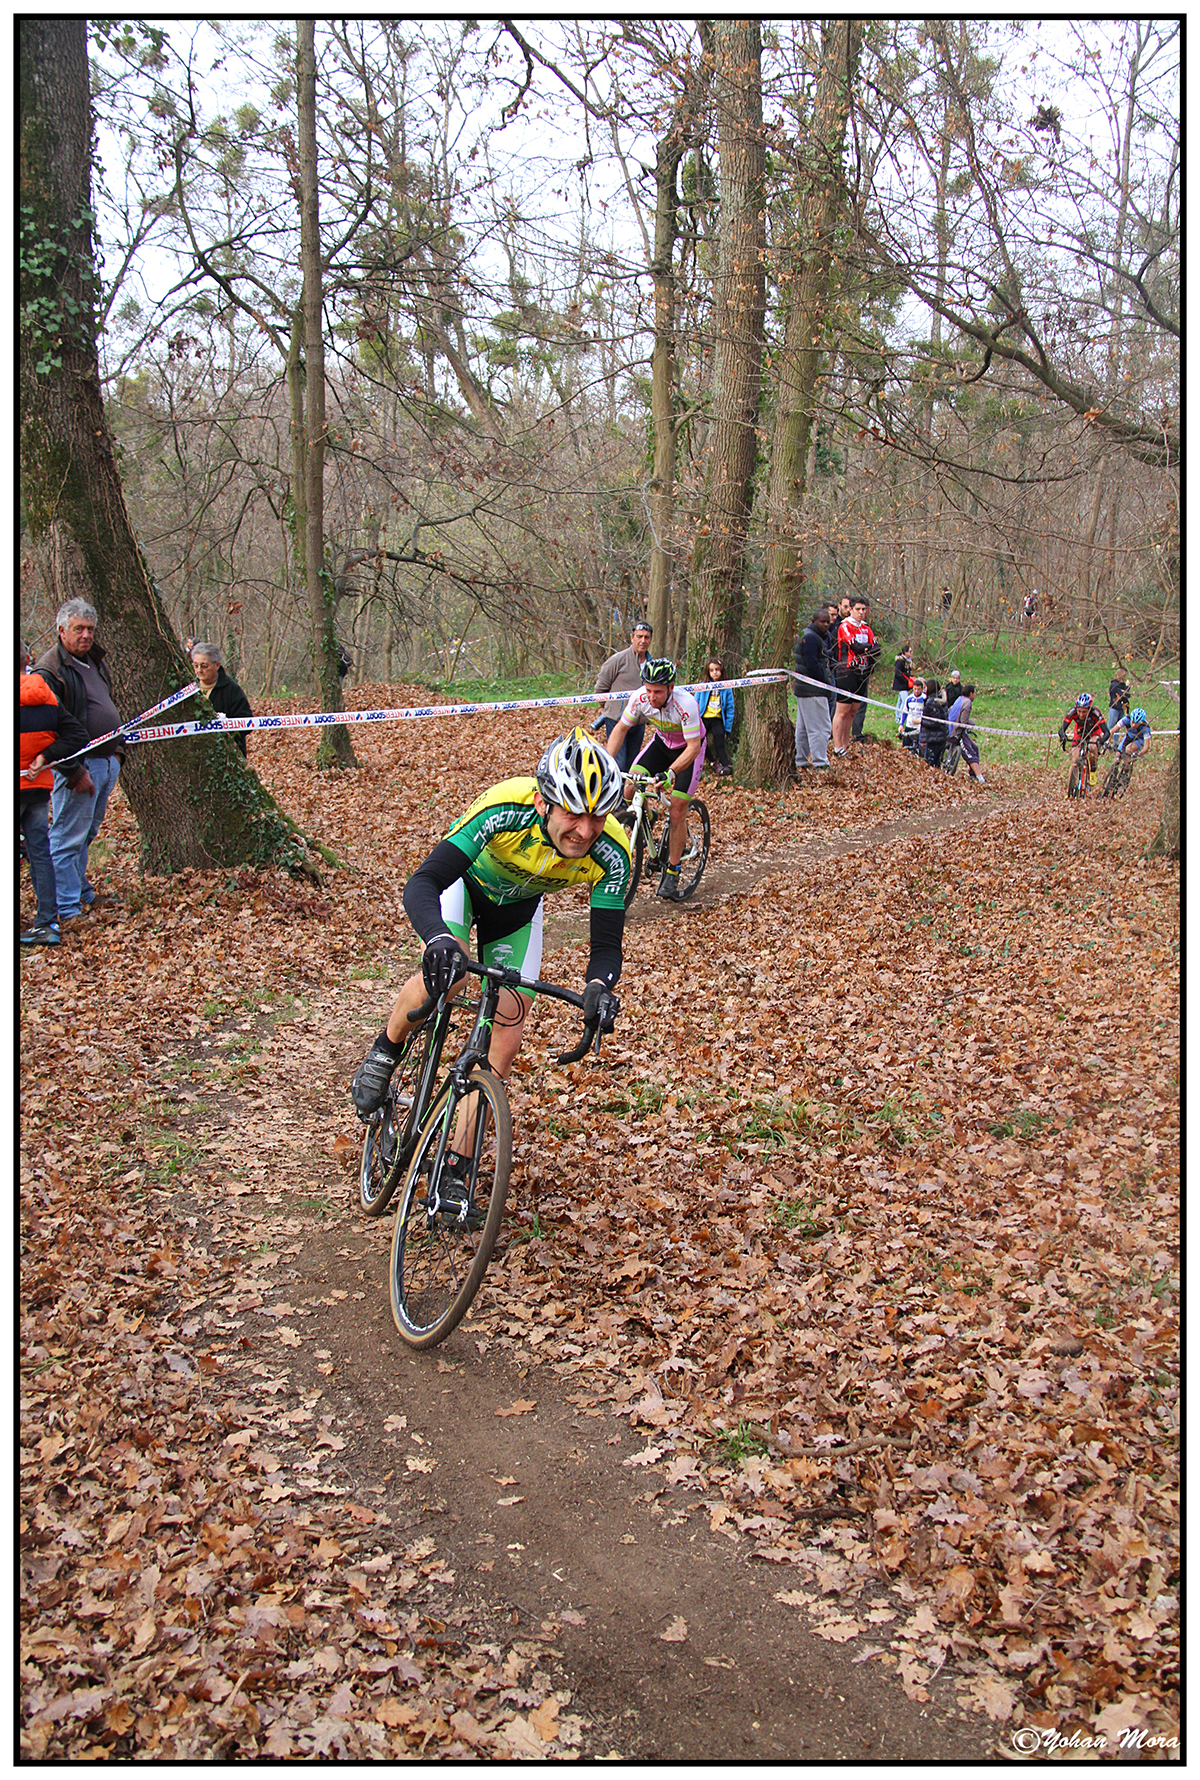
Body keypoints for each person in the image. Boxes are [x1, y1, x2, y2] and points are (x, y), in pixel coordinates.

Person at [349, 730, 628, 1175]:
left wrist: (599, 986)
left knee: (509, 1031)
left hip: (517, 912)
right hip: (463, 887)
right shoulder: (505, 808)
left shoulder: (612, 852)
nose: (585, 830)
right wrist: (438, 939)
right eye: (573, 813)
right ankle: (386, 1049)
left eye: (597, 817)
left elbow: (607, 945)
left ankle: (457, 1164)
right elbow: (424, 882)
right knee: (450, 976)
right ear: (542, 803)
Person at [33, 599, 125, 926]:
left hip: (106, 761)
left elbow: (107, 703)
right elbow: (47, 730)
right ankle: (67, 908)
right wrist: (73, 772)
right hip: (77, 765)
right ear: (62, 630)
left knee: (85, 834)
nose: (86, 635)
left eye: (90, 629)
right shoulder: (50, 670)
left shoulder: (95, 661)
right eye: (78, 629)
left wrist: (117, 753)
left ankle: (81, 891)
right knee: (66, 838)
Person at [605, 657, 705, 901]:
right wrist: (606, 761)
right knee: (629, 789)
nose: (652, 696)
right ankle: (647, 816)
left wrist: (671, 773)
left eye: (658, 691)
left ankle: (673, 870)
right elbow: (621, 729)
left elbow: (693, 746)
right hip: (661, 744)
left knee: (678, 809)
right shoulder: (640, 698)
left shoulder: (686, 704)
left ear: (671, 687)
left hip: (688, 750)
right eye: (648, 690)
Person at [20, 640, 75, 945]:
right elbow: (76, 734)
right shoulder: (47, 696)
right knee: (40, 853)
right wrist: (44, 757)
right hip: (38, 787)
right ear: (28, 658)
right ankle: (47, 923)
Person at [593, 620, 653, 772]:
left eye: (646, 637)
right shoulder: (618, 660)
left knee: (632, 764)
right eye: (639, 636)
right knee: (617, 764)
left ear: (650, 640)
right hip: (616, 720)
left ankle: (627, 789)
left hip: (638, 722)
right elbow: (600, 689)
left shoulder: (652, 664)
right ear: (632, 638)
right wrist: (610, 709)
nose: (643, 641)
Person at [831, 596, 879, 756]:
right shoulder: (845, 626)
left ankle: (845, 745)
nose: (861, 612)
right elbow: (855, 646)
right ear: (850, 609)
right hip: (846, 671)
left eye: (864, 609)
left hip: (862, 672)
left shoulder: (866, 628)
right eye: (858, 609)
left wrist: (867, 649)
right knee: (842, 710)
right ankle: (837, 746)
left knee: (853, 711)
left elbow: (877, 649)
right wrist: (868, 648)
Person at [192, 643, 254, 757]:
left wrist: (225, 730)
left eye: (204, 666)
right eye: (195, 665)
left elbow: (246, 722)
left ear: (217, 665)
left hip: (227, 756)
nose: (199, 670)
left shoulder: (232, 689)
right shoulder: (188, 689)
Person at [793, 607, 834, 771]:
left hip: (804, 689)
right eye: (822, 621)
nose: (826, 625)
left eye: (828, 622)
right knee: (821, 727)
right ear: (814, 621)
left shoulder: (811, 636)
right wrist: (824, 682)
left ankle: (800, 760)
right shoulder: (810, 638)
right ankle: (820, 762)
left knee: (803, 728)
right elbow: (812, 665)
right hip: (813, 689)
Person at [698, 659, 734, 776]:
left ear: (722, 671)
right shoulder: (703, 686)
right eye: (712, 670)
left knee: (719, 739)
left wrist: (727, 729)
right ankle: (713, 762)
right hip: (704, 718)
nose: (715, 673)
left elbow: (730, 708)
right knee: (699, 739)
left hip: (717, 719)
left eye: (717, 670)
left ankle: (726, 764)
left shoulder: (726, 687)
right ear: (708, 672)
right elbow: (695, 702)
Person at [1058, 693, 1108, 777]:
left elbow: (1107, 732)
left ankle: (1093, 770)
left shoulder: (1095, 712)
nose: (1081, 714)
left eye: (1084, 712)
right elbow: (1061, 730)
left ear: (1089, 709)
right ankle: (1071, 784)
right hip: (1080, 732)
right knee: (1075, 759)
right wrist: (1063, 736)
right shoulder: (1072, 712)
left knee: (1092, 747)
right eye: (1079, 711)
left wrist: (1101, 741)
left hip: (1094, 732)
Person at [947, 682, 984, 782]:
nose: (975, 695)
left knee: (975, 748)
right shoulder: (967, 703)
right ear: (971, 693)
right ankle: (980, 778)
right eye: (974, 692)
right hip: (957, 732)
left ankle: (973, 774)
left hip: (952, 727)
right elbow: (963, 722)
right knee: (970, 753)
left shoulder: (959, 699)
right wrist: (971, 724)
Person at [919, 679, 948, 768]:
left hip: (934, 738)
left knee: (929, 764)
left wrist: (921, 722)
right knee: (936, 764)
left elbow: (936, 722)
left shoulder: (932, 703)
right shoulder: (941, 701)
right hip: (941, 736)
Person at [899, 677, 926, 753]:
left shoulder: (925, 699)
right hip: (909, 725)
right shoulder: (909, 698)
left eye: (918, 689)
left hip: (919, 727)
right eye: (915, 689)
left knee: (917, 748)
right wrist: (901, 724)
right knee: (905, 747)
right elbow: (905, 712)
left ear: (922, 689)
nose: (916, 691)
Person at [892, 640, 914, 727]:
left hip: (905, 685)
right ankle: (900, 717)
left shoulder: (908, 662)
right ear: (905, 652)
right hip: (901, 685)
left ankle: (897, 716)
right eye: (910, 651)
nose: (911, 653)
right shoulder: (900, 661)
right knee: (904, 701)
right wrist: (906, 680)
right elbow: (897, 674)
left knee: (900, 701)